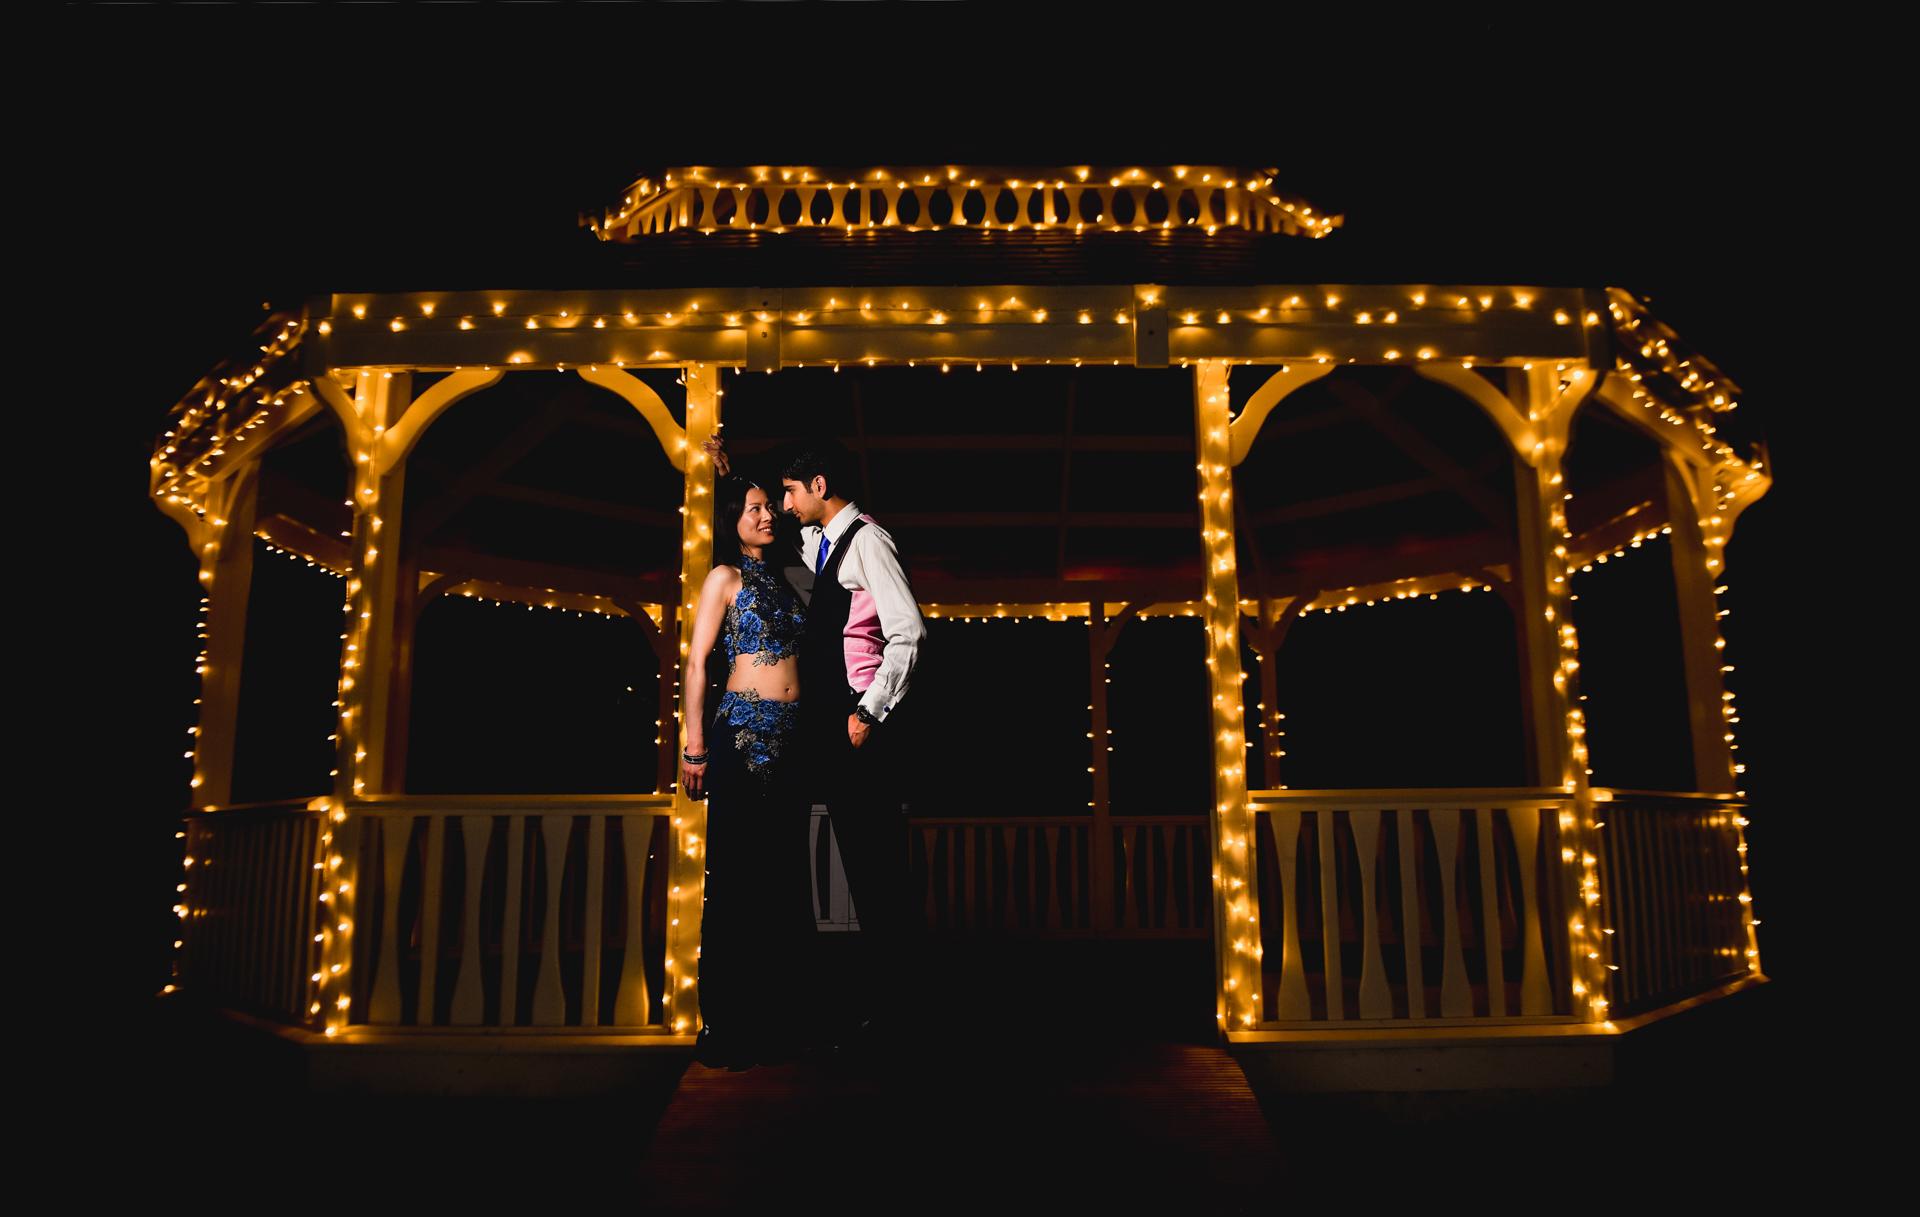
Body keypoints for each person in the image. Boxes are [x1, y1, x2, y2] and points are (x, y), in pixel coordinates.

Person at [705, 431, 927, 1051]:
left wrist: (868, 712)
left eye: (788, 493)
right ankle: (839, 1005)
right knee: (831, 863)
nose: (781, 506)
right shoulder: (821, 541)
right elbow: (759, 528)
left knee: (877, 869)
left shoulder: (869, 541)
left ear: (818, 487)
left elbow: (909, 632)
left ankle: (901, 1014)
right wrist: (731, 477)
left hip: (859, 725)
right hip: (821, 728)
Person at [680, 474, 820, 1070]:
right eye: (755, 509)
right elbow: (696, 663)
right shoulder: (723, 577)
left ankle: (783, 1023)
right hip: (739, 737)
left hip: (793, 740)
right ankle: (727, 1025)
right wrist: (693, 746)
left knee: (785, 879)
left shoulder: (791, 577)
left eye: (769, 507)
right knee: (736, 877)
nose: (767, 516)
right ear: (733, 519)